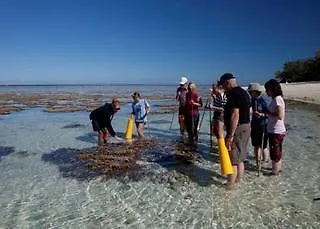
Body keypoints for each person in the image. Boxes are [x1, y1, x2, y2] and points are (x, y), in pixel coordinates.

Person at [219, 73, 251, 188]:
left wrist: (230, 135)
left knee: (233, 158)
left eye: (223, 85)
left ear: (227, 83)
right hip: (246, 126)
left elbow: (235, 115)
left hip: (238, 128)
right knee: (240, 157)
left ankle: (230, 184)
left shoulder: (233, 94)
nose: (223, 88)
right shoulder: (244, 92)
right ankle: (238, 180)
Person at [264, 79, 286, 175]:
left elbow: (280, 116)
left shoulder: (277, 99)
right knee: (277, 151)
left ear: (272, 89)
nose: (266, 91)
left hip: (276, 130)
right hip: (276, 130)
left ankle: (275, 171)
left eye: (267, 89)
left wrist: (268, 112)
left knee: (275, 152)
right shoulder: (276, 99)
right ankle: (277, 168)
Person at [248, 83, 270, 170]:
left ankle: (265, 162)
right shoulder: (252, 99)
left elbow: (270, 113)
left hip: (263, 125)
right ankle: (257, 161)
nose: (249, 93)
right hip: (254, 124)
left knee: (263, 145)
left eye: (251, 92)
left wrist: (261, 114)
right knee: (255, 144)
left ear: (256, 91)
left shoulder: (263, 100)